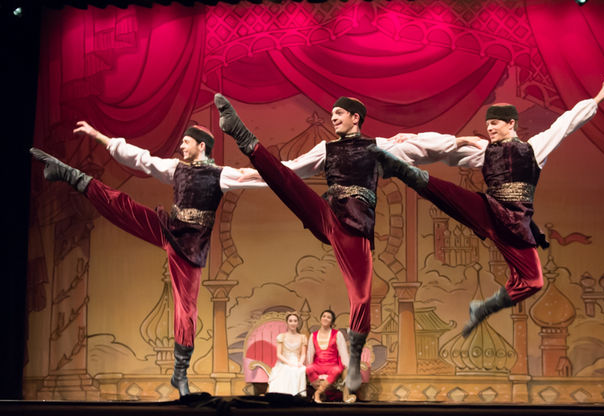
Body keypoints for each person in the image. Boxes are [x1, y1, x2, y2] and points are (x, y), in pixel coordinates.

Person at [213, 93, 480, 394]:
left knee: (361, 297)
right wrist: (256, 170)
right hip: (328, 216)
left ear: (356, 117)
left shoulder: (377, 147)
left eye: (339, 113)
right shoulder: (325, 149)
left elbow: (419, 147)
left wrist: (457, 143)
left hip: (355, 228)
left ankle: (353, 357)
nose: (333, 118)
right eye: (332, 114)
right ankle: (246, 139)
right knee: (287, 184)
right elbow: (290, 170)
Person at [369, 75, 604, 338]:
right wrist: (411, 139)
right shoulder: (485, 151)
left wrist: (596, 100)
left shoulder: (533, 149)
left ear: (511, 123)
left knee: (533, 281)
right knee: (450, 195)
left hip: (516, 227)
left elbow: (564, 124)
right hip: (489, 210)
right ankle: (402, 170)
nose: (489, 128)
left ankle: (485, 307)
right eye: (487, 124)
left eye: (494, 123)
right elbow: (444, 149)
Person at [30, 122, 266, 397]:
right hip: (169, 229)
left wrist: (288, 174)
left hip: (189, 249)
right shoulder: (174, 169)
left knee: (186, 311)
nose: (181, 146)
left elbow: (260, 176)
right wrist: (98, 135)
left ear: (202, 146)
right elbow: (139, 158)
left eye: (186, 142)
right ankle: (69, 173)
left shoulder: (220, 175)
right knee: (123, 206)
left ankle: (180, 373)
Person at [306, 309, 354, 403]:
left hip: (332, 366)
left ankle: (317, 393)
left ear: (332, 321)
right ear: (320, 319)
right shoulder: (313, 335)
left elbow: (343, 352)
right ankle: (321, 393)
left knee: (336, 370)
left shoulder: (337, 334)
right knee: (308, 368)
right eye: (324, 316)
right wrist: (309, 366)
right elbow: (310, 353)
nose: (325, 318)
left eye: (328, 317)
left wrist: (347, 366)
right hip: (318, 365)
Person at [266, 312, 307, 396]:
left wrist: (300, 363)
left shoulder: (302, 337)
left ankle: (297, 396)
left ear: (298, 323)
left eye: (295, 321)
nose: (293, 323)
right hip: (284, 362)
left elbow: (303, 354)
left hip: (297, 362)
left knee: (301, 370)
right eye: (290, 321)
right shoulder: (282, 337)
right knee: (288, 370)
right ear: (287, 322)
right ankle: (285, 396)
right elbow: (279, 354)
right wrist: (289, 363)